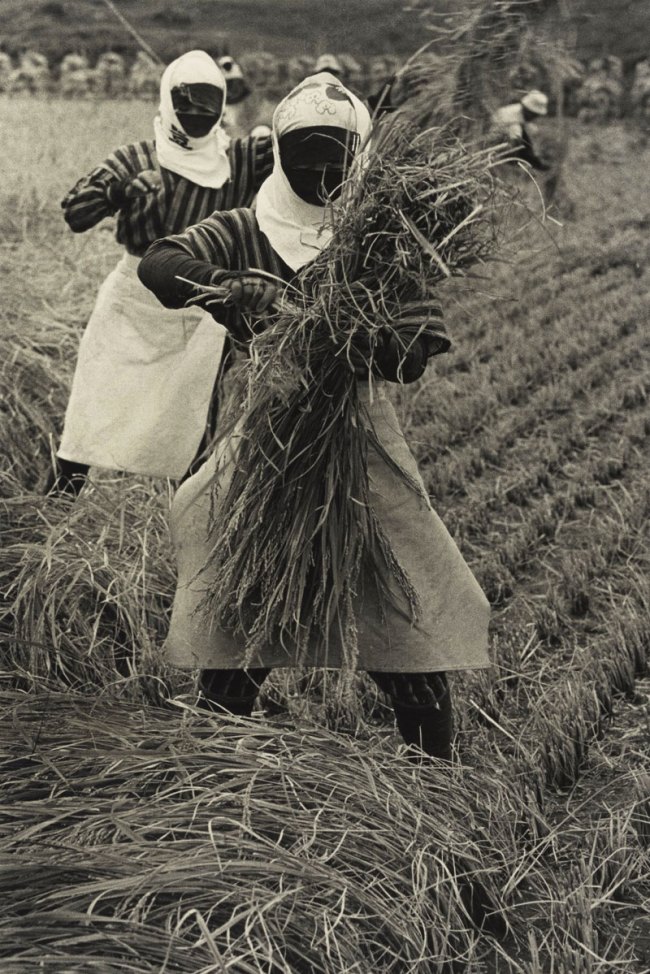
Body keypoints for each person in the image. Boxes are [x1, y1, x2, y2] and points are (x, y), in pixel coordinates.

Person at [138, 71, 491, 763]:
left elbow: (414, 352)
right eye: (305, 155)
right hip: (264, 442)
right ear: (279, 155)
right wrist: (228, 289)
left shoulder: (379, 237)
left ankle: (435, 772)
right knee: (243, 594)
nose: (322, 171)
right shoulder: (246, 228)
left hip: (358, 446)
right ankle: (215, 764)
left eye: (336, 157)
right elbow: (160, 262)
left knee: (402, 593)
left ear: (359, 156)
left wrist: (376, 341)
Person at [46, 50, 274, 497]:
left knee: (192, 416)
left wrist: (282, 131)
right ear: (168, 101)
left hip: (202, 301)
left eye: (208, 108)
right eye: (186, 106)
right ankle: (61, 496)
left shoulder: (237, 160)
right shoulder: (136, 158)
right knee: (96, 398)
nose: (195, 116)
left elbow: (299, 153)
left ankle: (185, 508)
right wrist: (121, 190)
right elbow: (75, 213)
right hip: (132, 299)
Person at [492, 89, 550, 171]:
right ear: (528, 110)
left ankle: (533, 162)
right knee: (517, 136)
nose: (535, 117)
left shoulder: (521, 115)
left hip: (506, 138)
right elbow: (514, 138)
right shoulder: (511, 117)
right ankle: (511, 163)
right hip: (500, 141)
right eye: (534, 114)